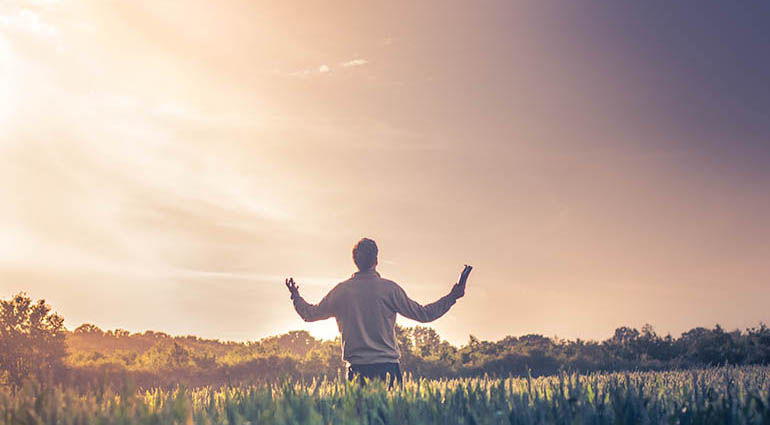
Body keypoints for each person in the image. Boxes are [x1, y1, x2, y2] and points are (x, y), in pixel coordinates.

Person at [284, 237, 472, 387]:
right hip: (388, 370)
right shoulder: (389, 289)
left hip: (356, 372)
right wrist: (452, 296)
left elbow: (309, 314)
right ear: (376, 260)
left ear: (355, 261)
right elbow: (424, 314)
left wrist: (295, 296)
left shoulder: (341, 292)